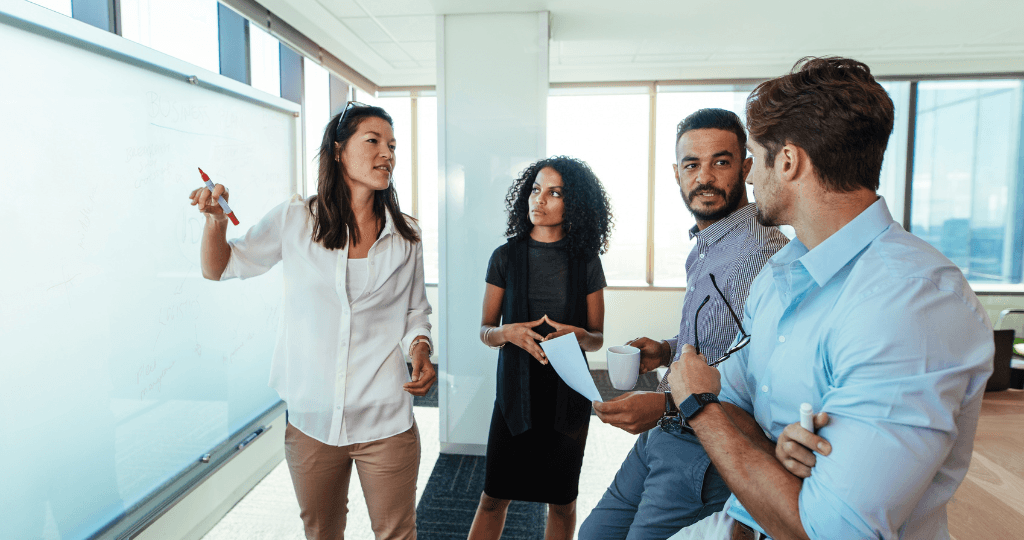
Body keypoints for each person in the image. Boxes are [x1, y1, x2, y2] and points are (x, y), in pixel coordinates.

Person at [667, 57, 994, 540]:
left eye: (754, 157)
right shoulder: (783, 271)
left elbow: (829, 530)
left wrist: (698, 406)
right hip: (744, 524)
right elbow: (734, 395)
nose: (750, 178)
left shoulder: (913, 302)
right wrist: (773, 450)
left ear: (789, 161)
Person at [189, 102, 436, 540]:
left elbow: (416, 310)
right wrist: (214, 223)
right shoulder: (295, 220)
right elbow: (220, 267)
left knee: (397, 533)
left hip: (387, 418)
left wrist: (420, 348)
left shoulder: (407, 235)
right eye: (373, 141)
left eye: (393, 145)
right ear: (339, 150)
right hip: (313, 418)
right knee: (321, 533)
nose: (388, 154)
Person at [579, 109, 788, 540]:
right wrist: (667, 350)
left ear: (747, 168)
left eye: (721, 162)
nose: (705, 177)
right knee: (595, 533)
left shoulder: (759, 254)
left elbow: (753, 374)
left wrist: (666, 404)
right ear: (677, 174)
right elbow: (720, 341)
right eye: (692, 165)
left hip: (706, 446)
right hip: (666, 432)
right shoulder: (706, 246)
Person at [469, 156, 613, 540]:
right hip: (515, 395)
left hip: (567, 397)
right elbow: (485, 330)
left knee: (563, 504)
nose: (540, 200)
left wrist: (578, 335)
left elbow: (597, 337)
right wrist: (507, 334)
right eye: (535, 189)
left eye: (554, 193)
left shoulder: (585, 261)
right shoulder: (505, 257)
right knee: (492, 498)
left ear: (574, 204)